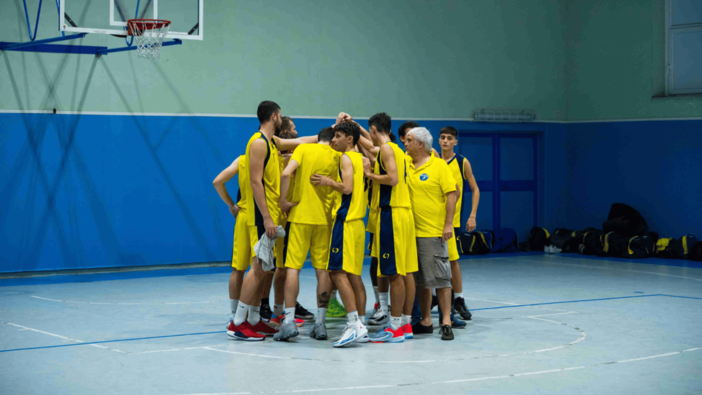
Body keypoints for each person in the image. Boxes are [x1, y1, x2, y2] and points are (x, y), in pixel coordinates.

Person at [228, 101, 317, 341]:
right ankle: (238, 322)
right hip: (261, 216)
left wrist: (327, 134)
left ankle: (255, 319)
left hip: (271, 215)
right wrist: (267, 217)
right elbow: (256, 182)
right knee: (257, 268)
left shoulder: (271, 142)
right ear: (275, 116)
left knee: (265, 268)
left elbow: (299, 141)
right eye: (281, 116)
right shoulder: (258, 143)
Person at [274, 127, 342, 342]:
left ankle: (289, 321)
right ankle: (321, 324)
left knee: (293, 268)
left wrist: (283, 200)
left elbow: (285, 172)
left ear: (319, 139)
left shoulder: (303, 149)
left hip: (300, 215)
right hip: (324, 219)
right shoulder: (337, 156)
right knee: (322, 271)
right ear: (333, 141)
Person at [310, 122, 369, 347]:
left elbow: (347, 188)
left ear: (350, 140)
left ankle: (354, 324)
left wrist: (327, 181)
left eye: (338, 136)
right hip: (357, 224)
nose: (333, 140)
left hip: (344, 223)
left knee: (336, 273)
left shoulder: (346, 158)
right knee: (354, 275)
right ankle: (361, 323)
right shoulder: (360, 159)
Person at [363, 112, 418, 343]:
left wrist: (370, 174)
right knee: (405, 273)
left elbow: (392, 179)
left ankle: (394, 327)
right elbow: (370, 146)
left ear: (374, 129)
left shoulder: (386, 149)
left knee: (394, 274)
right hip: (403, 214)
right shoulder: (398, 149)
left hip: (392, 214)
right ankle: (405, 324)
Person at [405, 127, 457, 341]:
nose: (405, 143)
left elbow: (452, 194)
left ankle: (446, 321)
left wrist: (448, 224)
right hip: (410, 232)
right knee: (421, 281)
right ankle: (425, 320)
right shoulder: (406, 164)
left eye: (409, 140)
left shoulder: (439, 166)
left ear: (420, 144)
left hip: (433, 232)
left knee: (441, 279)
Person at [438, 126, 480, 320]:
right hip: (432, 220)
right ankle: (433, 299)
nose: (445, 141)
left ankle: (459, 299)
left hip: (452, 222)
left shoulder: (462, 162)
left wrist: (472, 215)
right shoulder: (432, 161)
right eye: (443, 138)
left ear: (455, 142)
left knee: (453, 260)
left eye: (449, 138)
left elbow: (475, 189)